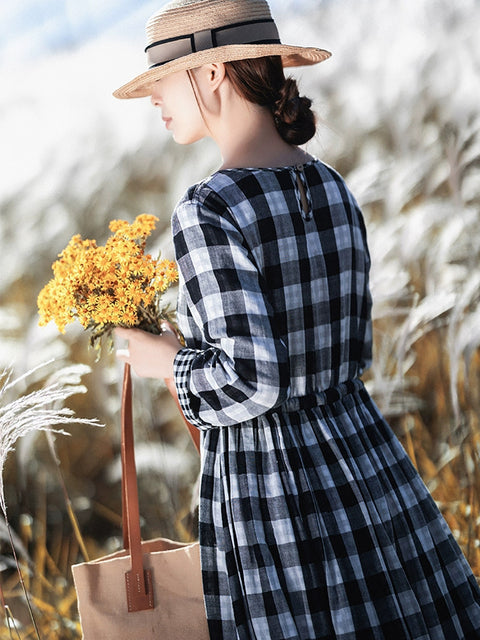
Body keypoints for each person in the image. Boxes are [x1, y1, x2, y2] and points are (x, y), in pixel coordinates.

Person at [113, 1, 480, 638]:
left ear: (212, 74)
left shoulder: (207, 209)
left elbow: (253, 380)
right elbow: (350, 347)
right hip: (365, 460)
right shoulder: (332, 183)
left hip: (275, 490)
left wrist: (165, 363)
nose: (152, 99)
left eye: (162, 79)